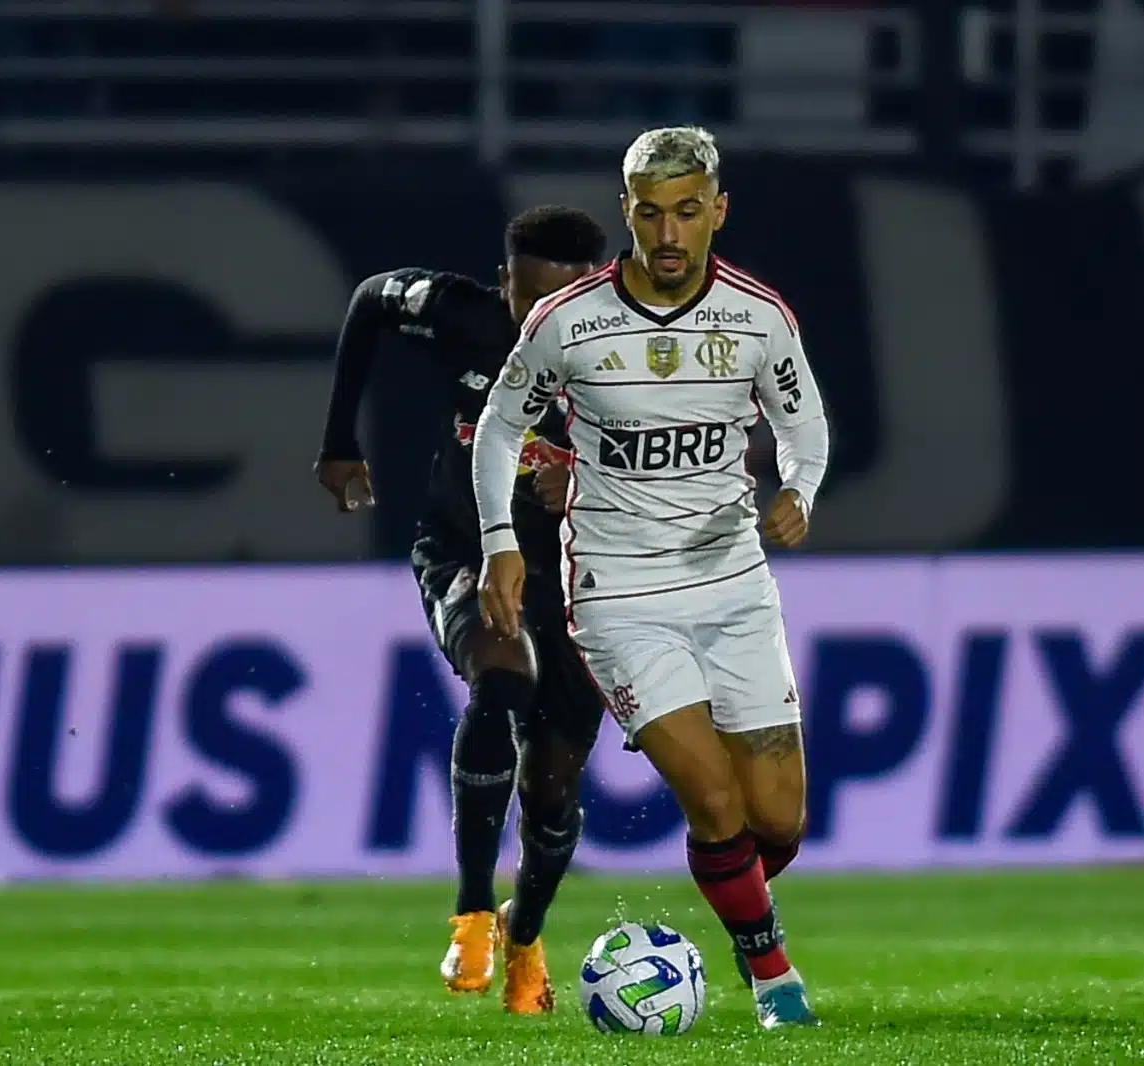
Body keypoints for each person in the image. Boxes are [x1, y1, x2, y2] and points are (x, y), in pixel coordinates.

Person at [471, 127, 830, 1030]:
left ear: (718, 210)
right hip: (619, 593)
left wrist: (801, 489)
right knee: (712, 800)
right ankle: (773, 978)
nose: (667, 234)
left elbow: (805, 425)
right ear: (625, 208)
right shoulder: (567, 322)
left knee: (776, 821)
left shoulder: (758, 317)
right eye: (647, 212)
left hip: (733, 582)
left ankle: (734, 894)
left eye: (685, 212)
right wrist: (500, 544)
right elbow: (499, 426)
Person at [313, 206, 611, 1015]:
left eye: (552, 303)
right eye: (522, 296)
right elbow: (374, 297)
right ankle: (473, 909)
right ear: (503, 277)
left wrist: (590, 479)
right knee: (502, 681)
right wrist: (341, 439)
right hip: (464, 550)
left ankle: (526, 932)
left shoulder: (629, 354)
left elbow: (692, 453)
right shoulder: (464, 314)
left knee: (553, 790)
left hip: (586, 577)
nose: (530, 321)